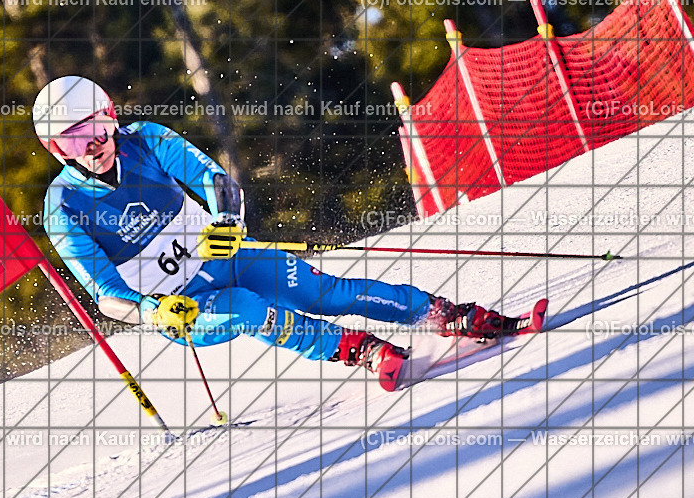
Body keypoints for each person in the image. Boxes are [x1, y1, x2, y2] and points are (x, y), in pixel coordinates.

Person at [34, 76, 519, 376]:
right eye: (73, 141)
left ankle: (445, 315)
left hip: (226, 258)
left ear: (112, 118)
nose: (92, 145)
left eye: (97, 128)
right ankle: (359, 350)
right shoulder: (65, 205)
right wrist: (151, 313)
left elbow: (214, 179)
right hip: (186, 307)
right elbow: (105, 295)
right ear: (56, 151)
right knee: (247, 308)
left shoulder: (145, 140)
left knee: (324, 293)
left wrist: (226, 219)